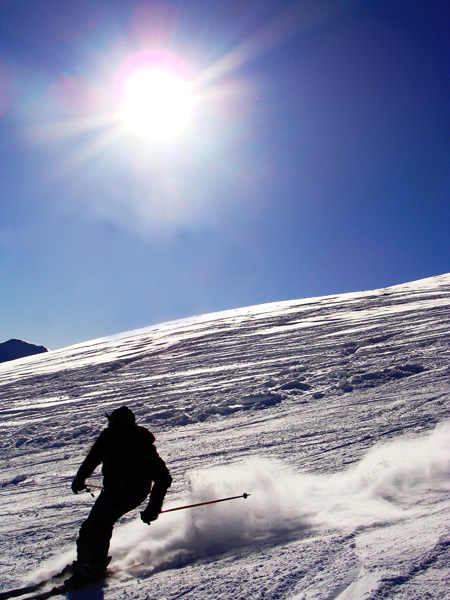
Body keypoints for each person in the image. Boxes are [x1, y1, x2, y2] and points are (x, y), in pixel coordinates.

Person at [70, 406, 172, 582]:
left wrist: (153, 508)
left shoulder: (140, 444)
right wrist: (81, 476)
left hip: (132, 492)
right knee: (90, 526)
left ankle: (95, 565)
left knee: (102, 523)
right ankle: (84, 562)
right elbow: (93, 457)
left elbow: (163, 478)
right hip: (113, 490)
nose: (109, 425)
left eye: (112, 422)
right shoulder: (108, 437)